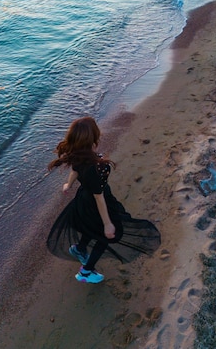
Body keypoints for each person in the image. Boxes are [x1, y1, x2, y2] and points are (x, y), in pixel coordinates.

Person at [47, 117, 161, 284]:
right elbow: (99, 197)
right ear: (93, 138)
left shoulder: (79, 155)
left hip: (83, 200)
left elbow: (75, 169)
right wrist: (107, 223)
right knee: (105, 235)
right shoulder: (98, 166)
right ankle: (86, 271)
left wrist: (68, 185)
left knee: (91, 227)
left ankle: (79, 249)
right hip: (96, 202)